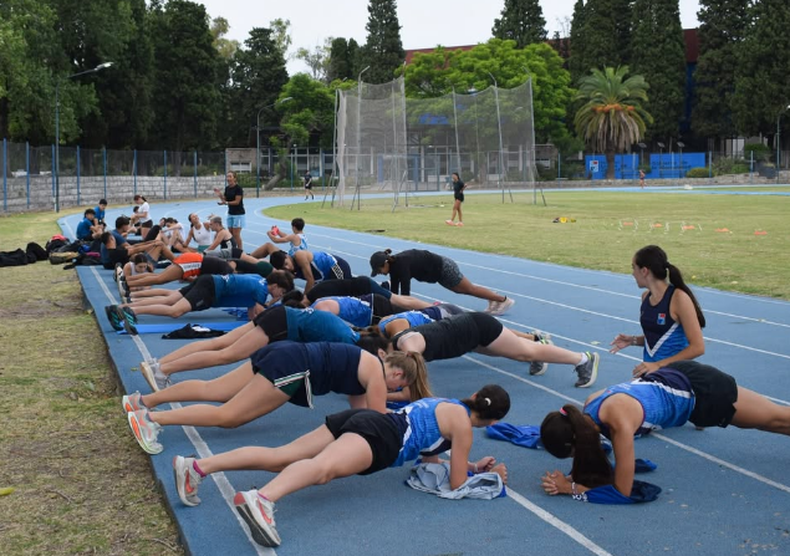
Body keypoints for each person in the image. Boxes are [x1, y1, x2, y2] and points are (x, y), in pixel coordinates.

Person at [169, 384, 510, 548]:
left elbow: (429, 453)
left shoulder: (446, 403)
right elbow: (454, 482)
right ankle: (264, 499)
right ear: (493, 419)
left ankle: (197, 467)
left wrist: (473, 466)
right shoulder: (465, 428)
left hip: (366, 420)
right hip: (380, 437)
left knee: (281, 455)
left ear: (476, 395)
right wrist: (485, 475)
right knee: (321, 470)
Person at [539, 360, 790, 500]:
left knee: (774, 420)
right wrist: (574, 477)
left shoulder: (619, 423)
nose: (577, 457)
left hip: (702, 393)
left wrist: (568, 488)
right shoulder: (590, 406)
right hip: (681, 379)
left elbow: (622, 491)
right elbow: (593, 454)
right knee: (773, 422)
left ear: (576, 440)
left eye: (573, 454)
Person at [123, 342, 431, 455]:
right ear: (399, 376)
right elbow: (376, 421)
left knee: (213, 389)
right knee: (230, 416)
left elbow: (358, 412)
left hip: (285, 351)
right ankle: (151, 420)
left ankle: (144, 402)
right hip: (293, 368)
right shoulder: (377, 375)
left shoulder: (366, 363)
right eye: (398, 387)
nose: (393, 390)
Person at [138, 305, 387, 391]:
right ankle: (163, 370)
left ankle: (158, 364)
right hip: (280, 323)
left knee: (219, 343)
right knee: (227, 355)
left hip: (279, 315)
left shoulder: (350, 330)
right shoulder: (347, 343)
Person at [379, 311, 600, 388]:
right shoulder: (395, 347)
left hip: (477, 328)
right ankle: (540, 349)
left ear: (384, 354)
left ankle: (582, 359)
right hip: (467, 340)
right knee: (519, 350)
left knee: (524, 352)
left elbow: (414, 358)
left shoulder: (406, 343)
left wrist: (413, 392)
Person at [609, 245, 705, 378]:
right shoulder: (646, 297)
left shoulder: (678, 299)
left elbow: (698, 347)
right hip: (651, 373)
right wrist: (633, 340)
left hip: (676, 376)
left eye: (633, 268)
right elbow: (658, 336)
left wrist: (658, 365)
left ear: (644, 271)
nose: (632, 273)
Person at [105, 271, 294, 333]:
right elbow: (258, 315)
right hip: (210, 289)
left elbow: (251, 309)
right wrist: (273, 307)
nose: (278, 295)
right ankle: (131, 312)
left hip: (209, 280)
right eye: (281, 292)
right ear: (275, 285)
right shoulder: (261, 291)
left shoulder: (258, 279)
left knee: (171, 298)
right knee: (175, 311)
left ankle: (122, 308)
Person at [369, 248, 514, 316]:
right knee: (462, 290)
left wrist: (402, 313)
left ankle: (503, 300)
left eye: (380, 270)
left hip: (443, 267)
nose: (381, 273)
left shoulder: (401, 265)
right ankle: (492, 299)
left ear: (386, 263)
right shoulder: (394, 268)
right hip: (437, 273)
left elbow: (405, 294)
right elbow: (395, 293)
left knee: (469, 289)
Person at [305, 275, 430, 311]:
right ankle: (431, 306)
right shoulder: (314, 291)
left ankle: (433, 309)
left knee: (399, 302)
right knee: (399, 299)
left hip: (363, 287)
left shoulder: (316, 298)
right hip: (361, 284)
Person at [99, 216, 173, 271]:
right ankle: (178, 262)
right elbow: (133, 249)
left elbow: (133, 247)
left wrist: (150, 243)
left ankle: (174, 261)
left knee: (152, 246)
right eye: (128, 225)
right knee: (160, 245)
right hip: (144, 268)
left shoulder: (114, 249)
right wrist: (152, 244)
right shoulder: (115, 248)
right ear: (112, 239)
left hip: (111, 263)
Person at [271, 249, 352, 293]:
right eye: (284, 268)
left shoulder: (299, 256)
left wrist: (303, 299)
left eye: (286, 263)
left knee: (345, 292)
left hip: (336, 266)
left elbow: (310, 280)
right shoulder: (288, 271)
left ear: (287, 256)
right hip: (326, 277)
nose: (287, 268)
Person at [214, 171, 245, 250]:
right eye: (227, 177)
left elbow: (237, 202)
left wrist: (226, 203)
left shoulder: (238, 188)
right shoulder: (227, 188)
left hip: (239, 214)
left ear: (234, 178)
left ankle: (240, 250)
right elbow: (225, 199)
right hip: (230, 213)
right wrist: (220, 195)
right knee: (230, 233)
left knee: (236, 234)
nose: (228, 178)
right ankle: (232, 248)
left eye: (230, 176)